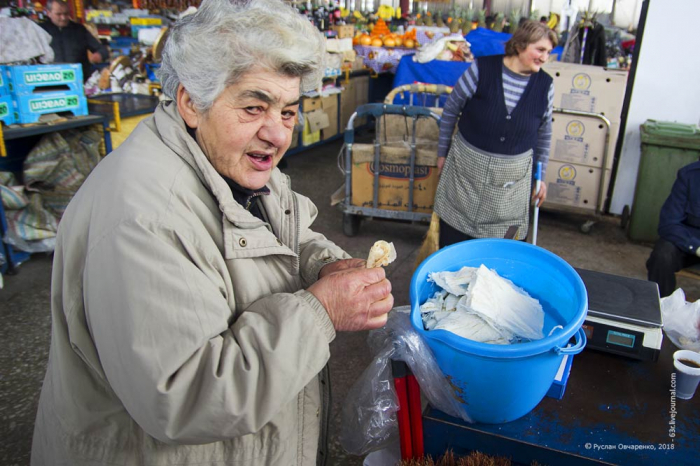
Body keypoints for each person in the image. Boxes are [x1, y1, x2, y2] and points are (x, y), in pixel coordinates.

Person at [30, 1, 393, 465]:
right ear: (190, 102)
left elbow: (276, 230)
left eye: (287, 111)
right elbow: (187, 394)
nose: (278, 134)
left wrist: (321, 264)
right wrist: (320, 310)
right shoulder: (144, 220)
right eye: (254, 107)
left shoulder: (229, 163)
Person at [433, 19, 557, 247]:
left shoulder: (545, 85)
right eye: (540, 50)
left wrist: (541, 177)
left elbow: (544, 134)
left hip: (512, 185)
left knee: (502, 251)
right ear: (520, 45)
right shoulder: (482, 69)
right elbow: (451, 110)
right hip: (465, 174)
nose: (544, 57)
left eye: (548, 52)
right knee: (454, 242)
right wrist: (442, 153)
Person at [646, 160, 700, 297]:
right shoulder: (689, 175)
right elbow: (669, 223)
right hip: (689, 243)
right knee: (662, 255)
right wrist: (696, 247)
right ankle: (662, 308)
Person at [40, 0, 108, 82]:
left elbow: (102, 50)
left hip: (80, 79)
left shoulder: (79, 30)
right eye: (58, 14)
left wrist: (99, 55)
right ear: (48, 13)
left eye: (66, 14)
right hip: (50, 80)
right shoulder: (40, 31)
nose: (63, 18)